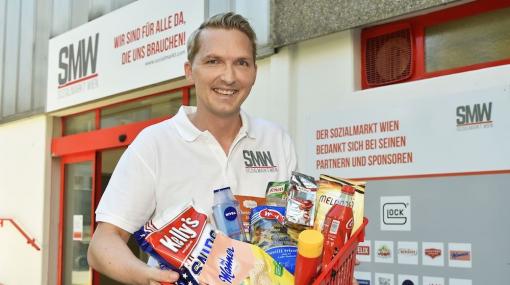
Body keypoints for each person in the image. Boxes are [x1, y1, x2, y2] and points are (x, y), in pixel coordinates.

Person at [87, 12, 297, 285]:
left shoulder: (277, 140)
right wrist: (147, 275)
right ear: (189, 71)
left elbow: (297, 231)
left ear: (254, 72)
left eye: (242, 63)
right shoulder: (154, 144)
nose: (229, 77)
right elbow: (103, 243)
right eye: (213, 61)